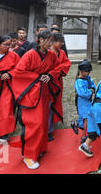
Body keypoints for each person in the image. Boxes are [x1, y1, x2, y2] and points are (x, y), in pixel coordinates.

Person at [12, 30, 61, 170]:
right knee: (34, 124)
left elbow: (58, 67)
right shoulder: (30, 55)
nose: (50, 44)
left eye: (52, 41)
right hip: (31, 93)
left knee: (43, 123)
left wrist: (50, 75)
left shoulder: (51, 55)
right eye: (48, 41)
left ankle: (38, 149)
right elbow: (18, 72)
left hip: (44, 92)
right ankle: (28, 155)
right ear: (40, 40)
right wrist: (37, 77)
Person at [47, 32, 72, 142]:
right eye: (59, 42)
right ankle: (47, 129)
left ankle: (51, 124)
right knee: (46, 106)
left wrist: (56, 71)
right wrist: (55, 71)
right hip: (48, 82)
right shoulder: (47, 52)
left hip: (57, 82)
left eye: (62, 42)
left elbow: (66, 64)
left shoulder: (61, 52)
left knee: (55, 103)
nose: (61, 44)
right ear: (53, 42)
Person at [72, 59, 96, 145]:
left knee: (85, 117)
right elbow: (82, 93)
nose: (89, 73)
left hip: (88, 100)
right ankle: (83, 136)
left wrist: (92, 89)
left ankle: (75, 124)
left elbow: (93, 85)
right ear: (82, 71)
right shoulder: (79, 82)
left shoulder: (87, 78)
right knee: (86, 118)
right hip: (82, 102)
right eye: (87, 71)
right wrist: (91, 91)